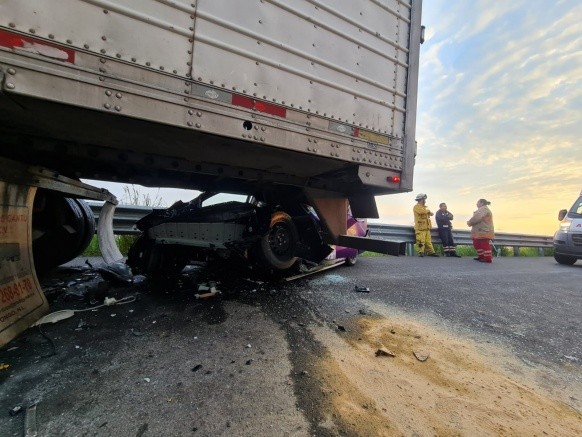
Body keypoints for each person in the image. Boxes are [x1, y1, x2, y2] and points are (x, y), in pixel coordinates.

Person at [467, 198, 495, 263]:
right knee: (477, 243)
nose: (476, 204)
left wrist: (469, 223)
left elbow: (477, 218)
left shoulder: (484, 209)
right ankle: (481, 256)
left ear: (481, 203)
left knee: (484, 244)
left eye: (478, 202)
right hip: (480, 231)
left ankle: (487, 258)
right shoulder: (483, 209)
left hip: (483, 231)